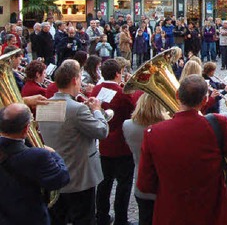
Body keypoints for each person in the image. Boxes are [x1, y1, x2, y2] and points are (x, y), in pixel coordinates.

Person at [137, 75, 227, 224]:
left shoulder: (153, 133)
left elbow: (145, 184)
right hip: (212, 213)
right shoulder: (218, 123)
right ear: (204, 101)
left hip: (172, 214)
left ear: (177, 95)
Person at [39, 59, 109, 225]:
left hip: (55, 174)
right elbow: (102, 131)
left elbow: (63, 130)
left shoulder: (45, 105)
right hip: (79, 177)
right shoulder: (77, 109)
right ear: (75, 80)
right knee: (84, 219)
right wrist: (97, 111)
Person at [0, 103, 69, 225]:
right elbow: (61, 178)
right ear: (27, 128)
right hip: (30, 217)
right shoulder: (39, 155)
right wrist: (54, 154)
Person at [91, 60, 136, 225]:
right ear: (118, 74)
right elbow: (134, 110)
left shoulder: (97, 89)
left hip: (104, 144)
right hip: (122, 145)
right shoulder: (122, 92)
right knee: (123, 186)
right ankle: (121, 219)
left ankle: (102, 216)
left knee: (104, 184)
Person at [123, 94, 169, 225]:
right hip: (163, 183)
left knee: (144, 218)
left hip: (141, 180)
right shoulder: (166, 126)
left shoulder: (127, 125)